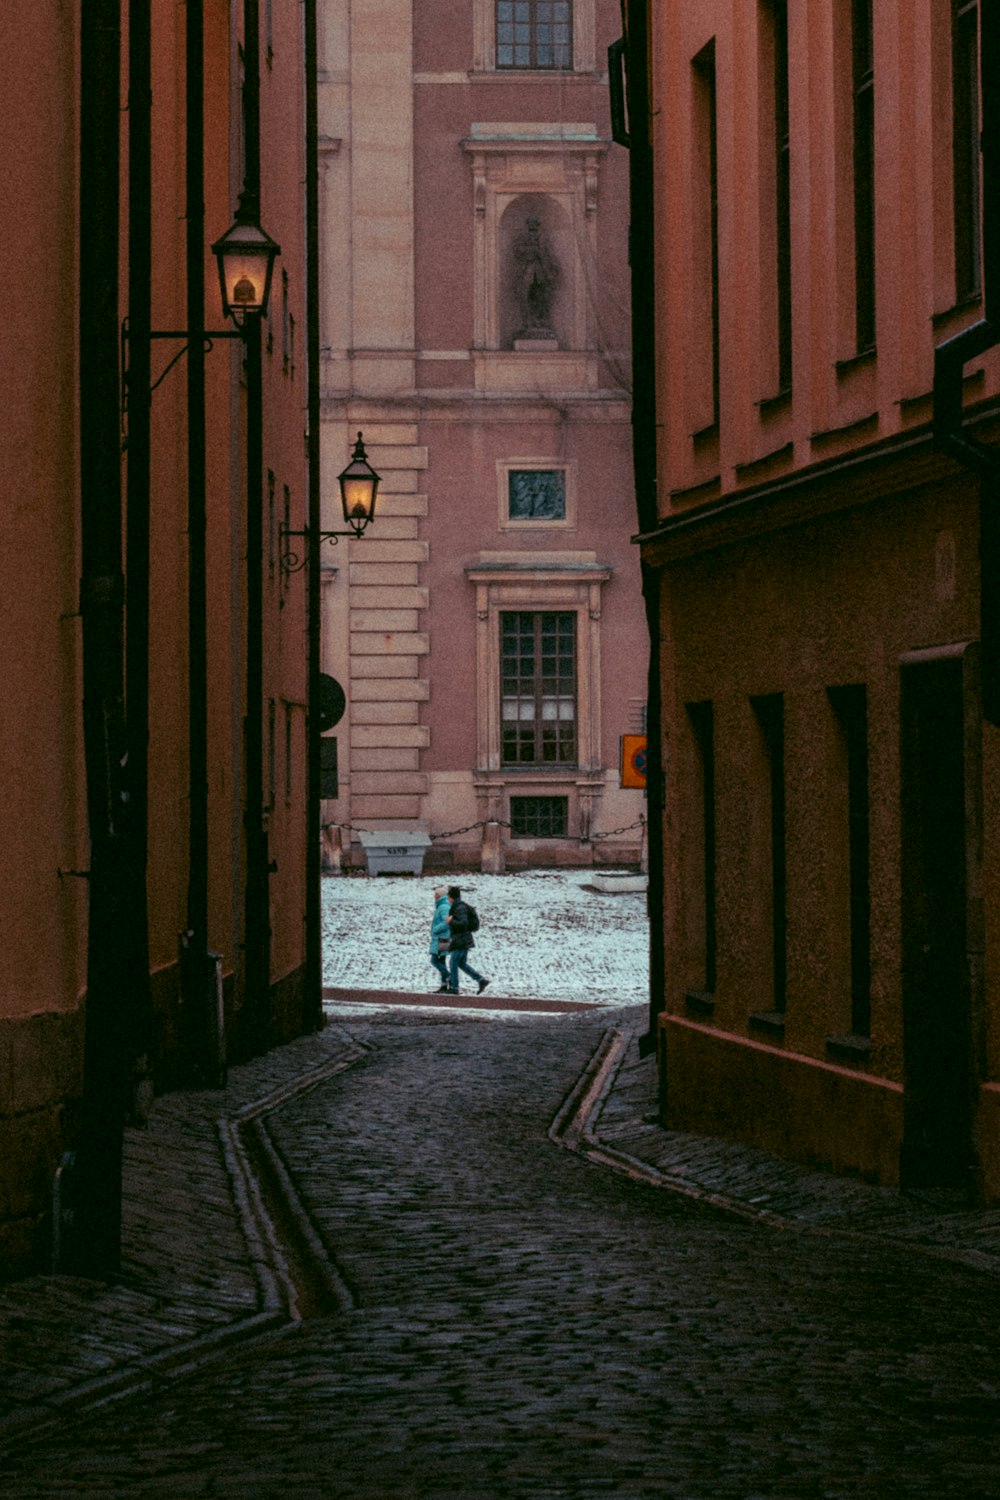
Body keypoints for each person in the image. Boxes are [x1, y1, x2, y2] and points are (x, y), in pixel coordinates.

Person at [446, 885, 489, 995]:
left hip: (461, 940)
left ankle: (454, 988)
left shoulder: (459, 908)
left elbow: (463, 923)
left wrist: (451, 921)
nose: (448, 900)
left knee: (453, 963)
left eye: (448, 897)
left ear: (452, 897)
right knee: (461, 963)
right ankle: (481, 980)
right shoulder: (459, 906)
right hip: (462, 939)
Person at [428, 885, 451, 993]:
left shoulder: (443, 907)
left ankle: (449, 977)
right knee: (441, 961)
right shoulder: (443, 906)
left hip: (441, 938)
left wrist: (435, 929)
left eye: (436, 894)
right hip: (443, 938)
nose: (434, 896)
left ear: (440, 896)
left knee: (435, 960)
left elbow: (446, 922)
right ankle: (444, 985)